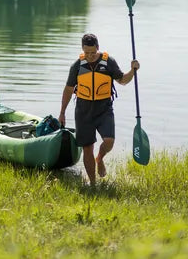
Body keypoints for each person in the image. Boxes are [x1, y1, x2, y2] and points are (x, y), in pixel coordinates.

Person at [59, 33, 139, 185]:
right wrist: (62, 112)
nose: (89, 55)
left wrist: (132, 71)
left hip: (104, 109)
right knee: (87, 148)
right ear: (82, 49)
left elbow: (122, 80)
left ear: (98, 47)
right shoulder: (77, 65)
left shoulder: (108, 62)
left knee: (109, 141)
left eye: (92, 52)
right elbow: (68, 89)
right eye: (86, 52)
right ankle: (93, 185)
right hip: (83, 111)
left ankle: (100, 158)